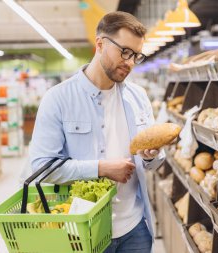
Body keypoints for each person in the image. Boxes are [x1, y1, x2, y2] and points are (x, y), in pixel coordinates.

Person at [29, 11, 165, 253]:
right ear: (100, 44)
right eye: (124, 52)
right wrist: (101, 168)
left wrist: (150, 157)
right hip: (82, 231)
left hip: (135, 229)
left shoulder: (139, 97)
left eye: (136, 55)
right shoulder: (58, 99)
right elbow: (41, 167)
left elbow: (154, 165)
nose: (130, 62)